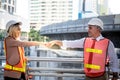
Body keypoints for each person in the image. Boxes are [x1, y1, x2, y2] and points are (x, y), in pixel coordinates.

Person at [46, 18, 119, 80]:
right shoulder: (85, 41)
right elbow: (70, 43)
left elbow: (113, 59)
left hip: (101, 77)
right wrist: (56, 41)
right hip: (88, 76)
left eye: (90, 28)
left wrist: (115, 74)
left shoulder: (108, 43)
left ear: (98, 29)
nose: (88, 30)